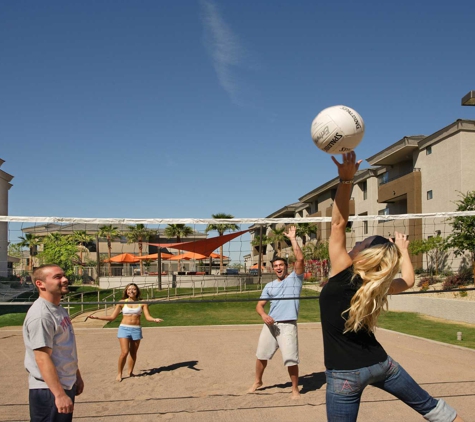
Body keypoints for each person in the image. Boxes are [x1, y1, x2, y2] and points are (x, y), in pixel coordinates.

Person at [320, 151, 463, 421]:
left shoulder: (342, 272)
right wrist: (403, 251)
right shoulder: (375, 285)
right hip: (381, 365)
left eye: (360, 244)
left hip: (344, 375)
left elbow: (338, 223)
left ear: (364, 255)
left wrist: (346, 180)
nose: (355, 244)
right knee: (433, 409)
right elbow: (409, 280)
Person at [248, 225, 305, 399]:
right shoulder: (269, 286)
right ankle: (258, 381)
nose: (278, 267)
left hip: (287, 326)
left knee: (290, 359)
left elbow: (300, 260)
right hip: (270, 325)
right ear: (273, 269)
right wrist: (264, 315)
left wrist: (293, 239)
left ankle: (294, 389)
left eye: (281, 265)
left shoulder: (295, 279)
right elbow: (259, 306)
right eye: (276, 266)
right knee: (261, 355)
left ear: (287, 267)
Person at [23, 264, 84, 422]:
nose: (65, 280)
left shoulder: (58, 309)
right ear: (40, 284)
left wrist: (76, 375)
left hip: (64, 384)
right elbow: (42, 358)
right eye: (57, 277)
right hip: (48, 390)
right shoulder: (41, 315)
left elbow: (64, 347)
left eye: (63, 276)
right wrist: (59, 395)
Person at [88, 283, 163, 382]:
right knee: (124, 352)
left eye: (134, 289)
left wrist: (154, 320)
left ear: (137, 291)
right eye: (129, 289)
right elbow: (112, 317)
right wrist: (97, 317)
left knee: (133, 352)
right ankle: (119, 373)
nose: (131, 291)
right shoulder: (122, 302)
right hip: (124, 328)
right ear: (126, 291)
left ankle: (130, 372)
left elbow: (148, 317)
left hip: (136, 329)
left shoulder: (142, 302)